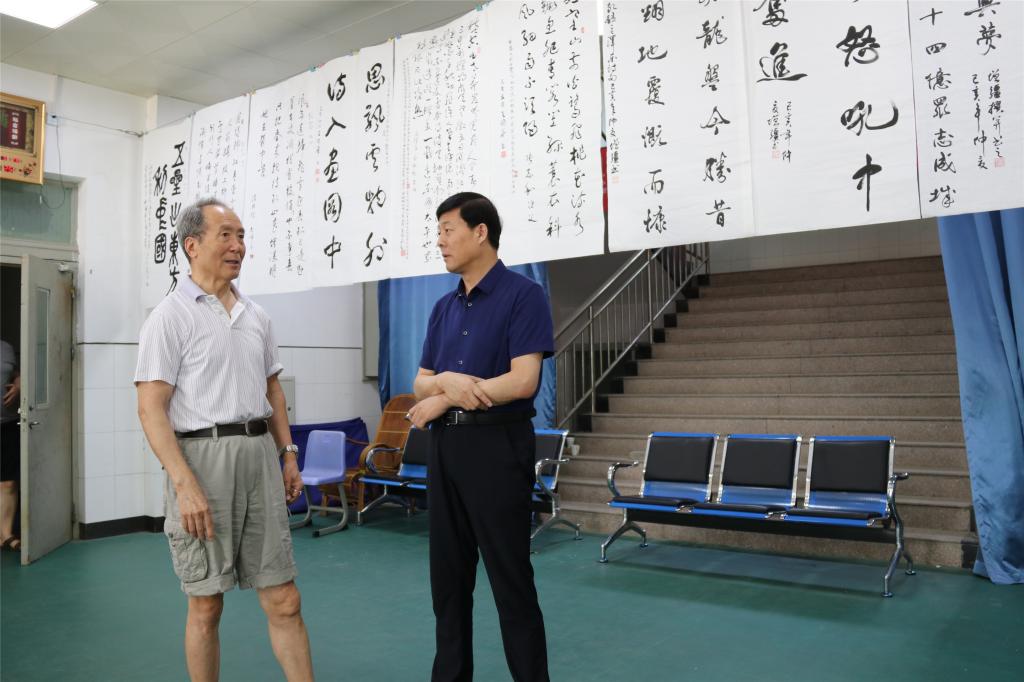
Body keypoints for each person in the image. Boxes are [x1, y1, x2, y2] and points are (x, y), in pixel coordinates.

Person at [135, 198, 314, 682]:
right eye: (226, 235)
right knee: (206, 603)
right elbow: (151, 408)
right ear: (192, 245)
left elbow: (272, 390)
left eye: (241, 236)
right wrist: (184, 484)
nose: (238, 246)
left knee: (284, 597)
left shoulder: (257, 315)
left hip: (259, 456)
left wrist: (288, 454)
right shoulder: (169, 317)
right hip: (201, 459)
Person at [408, 192, 553, 682]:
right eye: (439, 232)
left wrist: (444, 397)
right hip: (445, 450)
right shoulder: (443, 308)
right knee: (447, 582)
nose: (440, 241)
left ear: (481, 231)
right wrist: (447, 385)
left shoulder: (523, 295)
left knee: (511, 581)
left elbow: (523, 381)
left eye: (448, 230)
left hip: (498, 447)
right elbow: (421, 382)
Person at [1, 339, 20, 552]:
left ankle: (5, 535)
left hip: (6, 423)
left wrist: (19, 383)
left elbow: (14, 372)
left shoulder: (5, 348)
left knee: (8, 483)